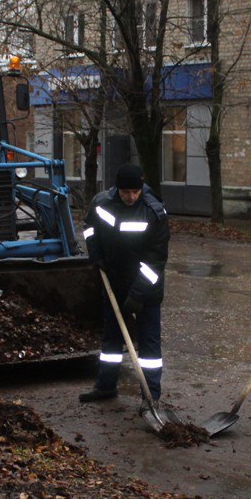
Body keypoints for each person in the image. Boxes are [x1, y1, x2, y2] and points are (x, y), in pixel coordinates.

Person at [78, 164, 171, 409]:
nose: (130, 197)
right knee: (111, 340)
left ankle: (151, 396)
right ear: (116, 189)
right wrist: (95, 255)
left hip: (146, 286)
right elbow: (89, 228)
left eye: (135, 192)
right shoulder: (102, 203)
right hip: (114, 282)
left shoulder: (154, 212)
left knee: (149, 345)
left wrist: (138, 295)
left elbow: (156, 262)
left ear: (141, 189)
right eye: (125, 192)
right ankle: (106, 386)